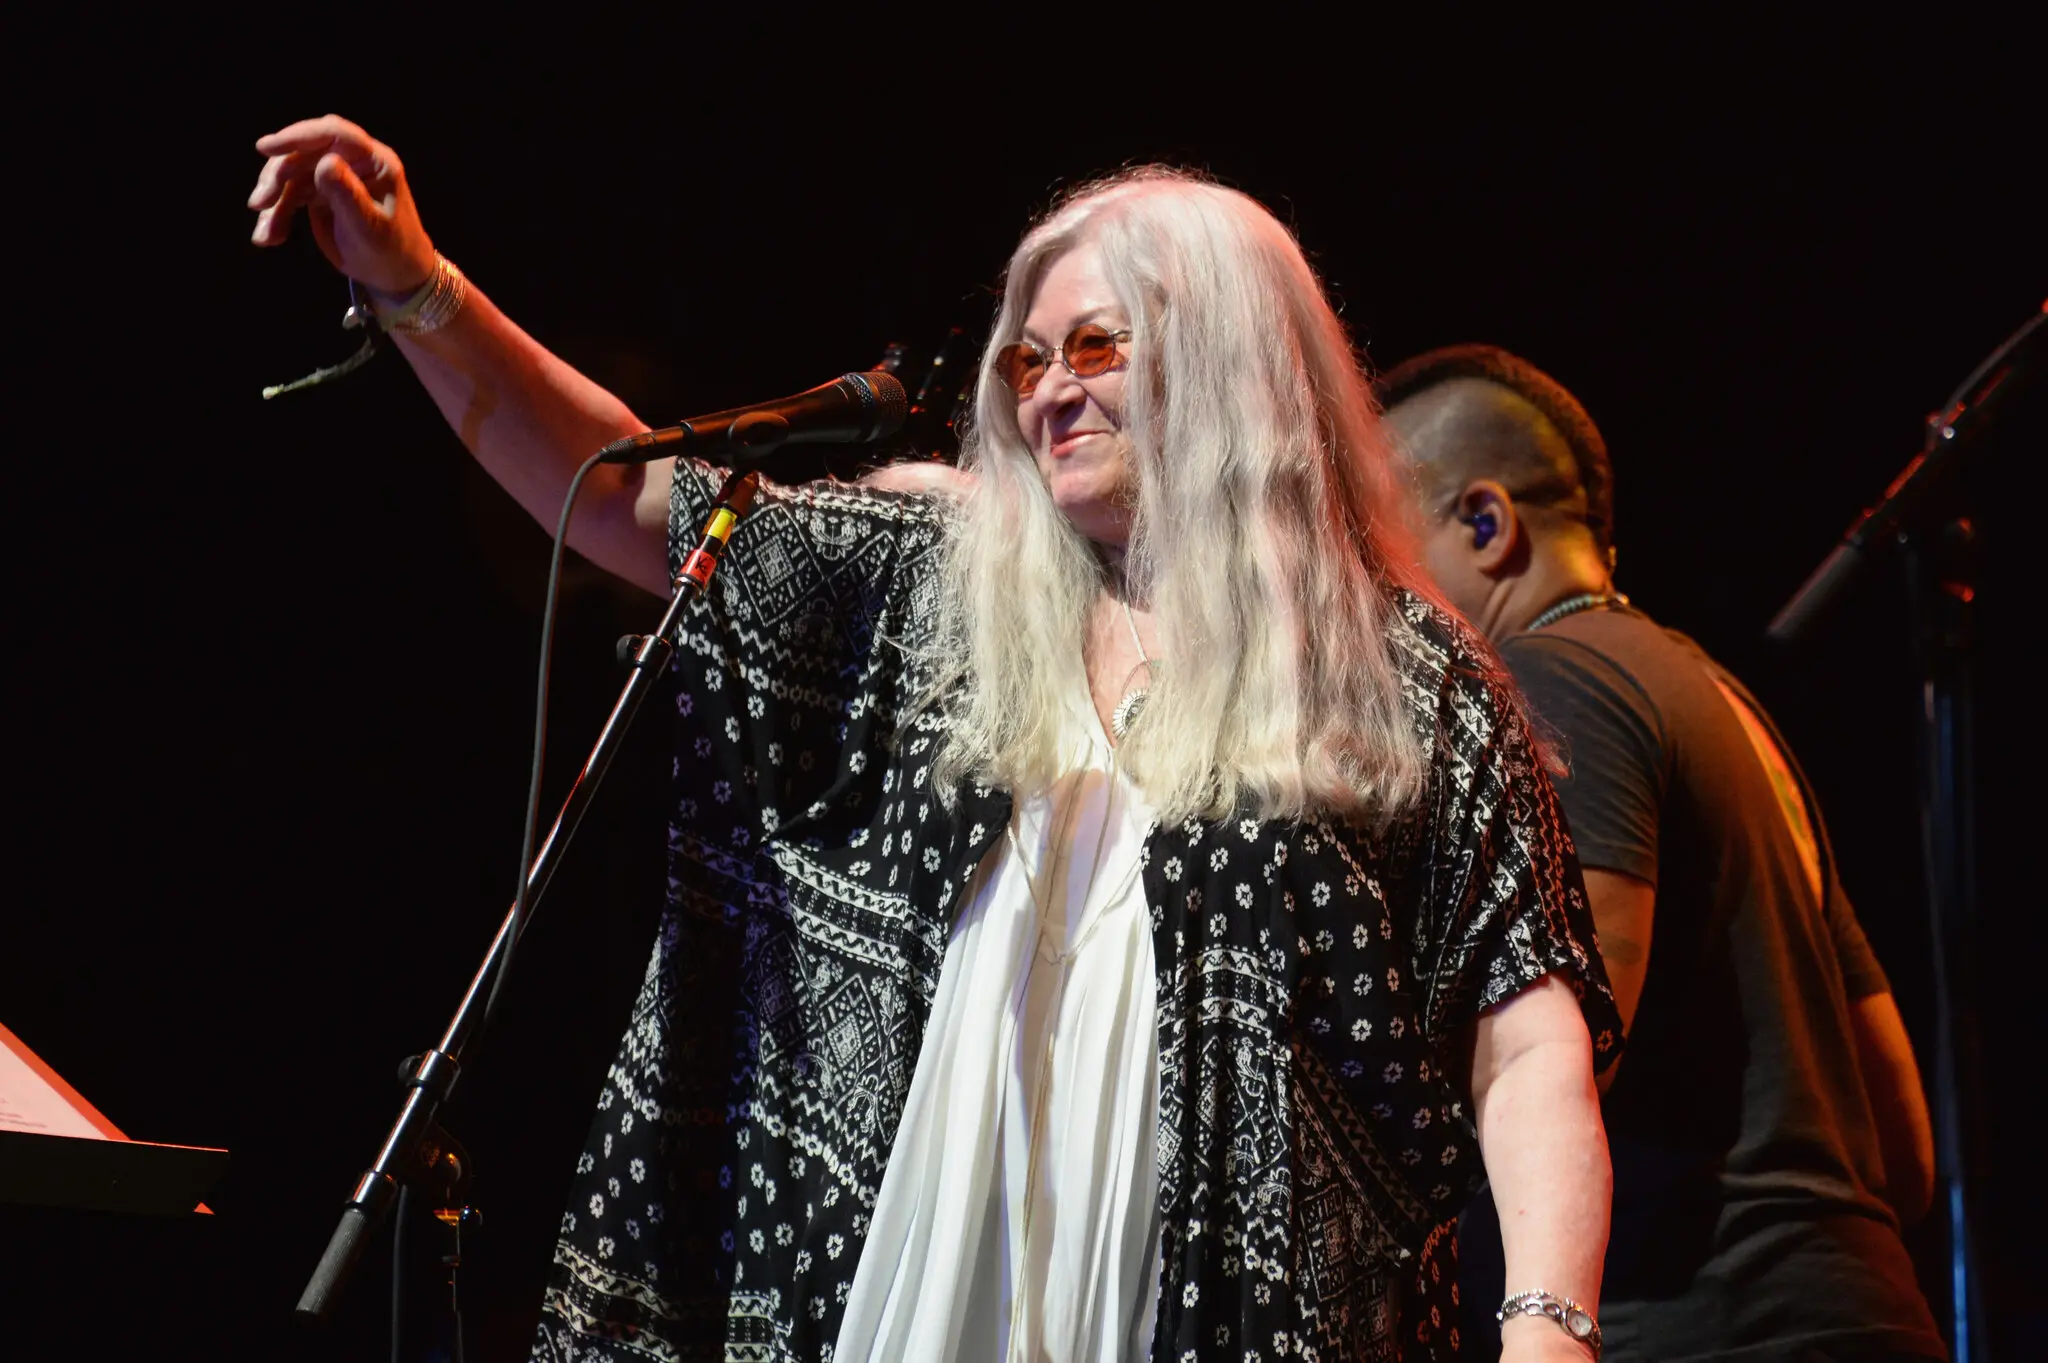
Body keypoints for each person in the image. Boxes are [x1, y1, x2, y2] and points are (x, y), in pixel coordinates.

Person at [249, 117, 1623, 1363]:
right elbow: (627, 493)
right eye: (1026, 357)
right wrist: (419, 286)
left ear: (1227, 358)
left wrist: (1549, 1329)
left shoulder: (1398, 678)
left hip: (1227, 1309)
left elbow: (1528, 1038)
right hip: (913, 1268)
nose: (1046, 393)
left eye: (1095, 346)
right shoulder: (932, 589)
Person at [1380, 345, 1947, 1363]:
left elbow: (1568, 1049)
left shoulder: (1549, 687)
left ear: (1482, 523)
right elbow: (1898, 1137)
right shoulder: (1718, 698)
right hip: (1856, 1308)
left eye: (1383, 540)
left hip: (1697, 1325)